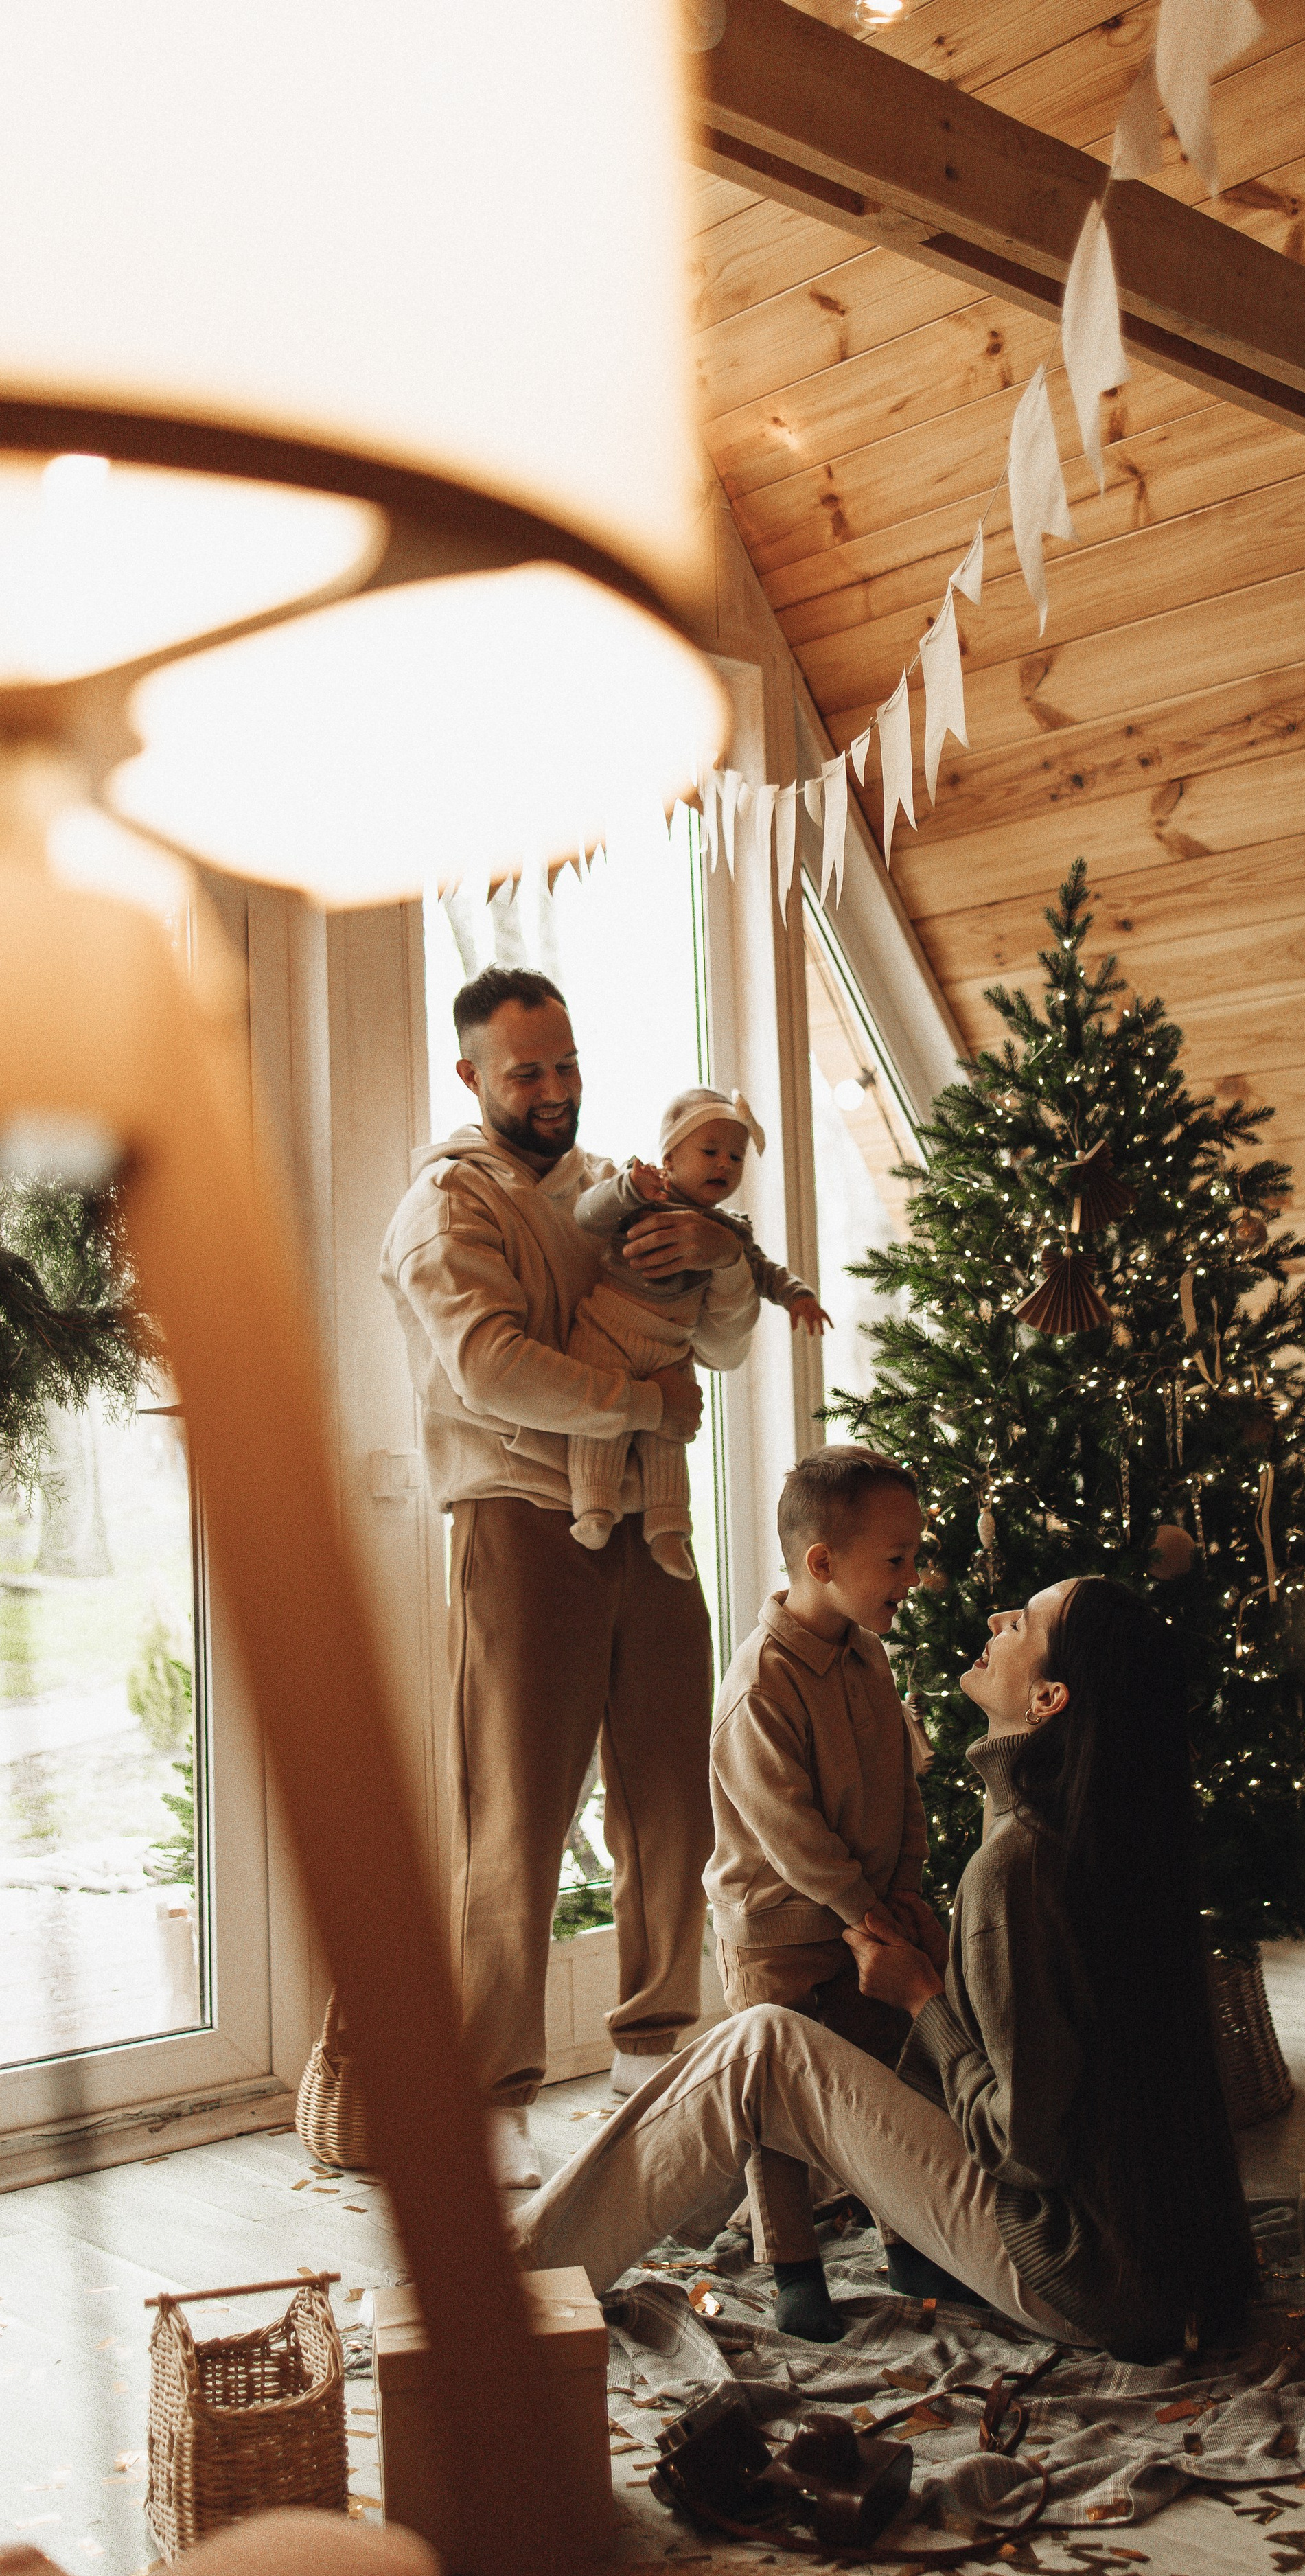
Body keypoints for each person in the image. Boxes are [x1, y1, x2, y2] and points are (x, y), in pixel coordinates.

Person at [518, 1574, 1259, 2362]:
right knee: (770, 2050)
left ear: (1048, 1702)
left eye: (1027, 1622)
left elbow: (1027, 2146)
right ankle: (560, 2256)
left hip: (1075, 2275)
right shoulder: (1111, 1836)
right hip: (1159, 2273)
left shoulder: (1019, 1864)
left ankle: (506, 2283)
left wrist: (921, 1999)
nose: (1000, 1617)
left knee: (761, 2045)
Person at [380, 966, 760, 2188]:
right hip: (519, 1528)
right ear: (473, 1078)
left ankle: (655, 2071)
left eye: (565, 1063)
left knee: (669, 1807)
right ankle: (488, 2112)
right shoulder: (446, 1208)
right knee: (514, 1822)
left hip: (651, 1530)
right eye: (525, 1070)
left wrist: (720, 1252)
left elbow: (727, 1338)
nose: (552, 1088)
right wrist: (643, 1400)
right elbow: (492, 1367)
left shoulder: (623, 1189)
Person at [704, 1446, 936, 2335]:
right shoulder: (759, 1684)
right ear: (822, 1563)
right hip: (781, 1932)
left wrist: (905, 1887)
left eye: (914, 1554)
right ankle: (793, 2264)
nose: (913, 1576)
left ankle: (908, 2236)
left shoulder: (869, 1658)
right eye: (897, 1558)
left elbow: (903, 1783)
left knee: (885, 2081)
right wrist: (862, 1912)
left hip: (868, 1919)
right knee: (780, 2104)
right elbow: (790, 1832)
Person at [569, 1086, 829, 1579]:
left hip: (672, 1348)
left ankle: (669, 1532)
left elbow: (764, 1272)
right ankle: (593, 1507)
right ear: (668, 1156)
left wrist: (797, 1295)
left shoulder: (731, 1231)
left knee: (671, 1440)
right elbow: (586, 1214)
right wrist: (628, 1186)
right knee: (600, 1426)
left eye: (736, 1157)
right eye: (710, 1152)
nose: (724, 1165)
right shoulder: (645, 1197)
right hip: (610, 1331)